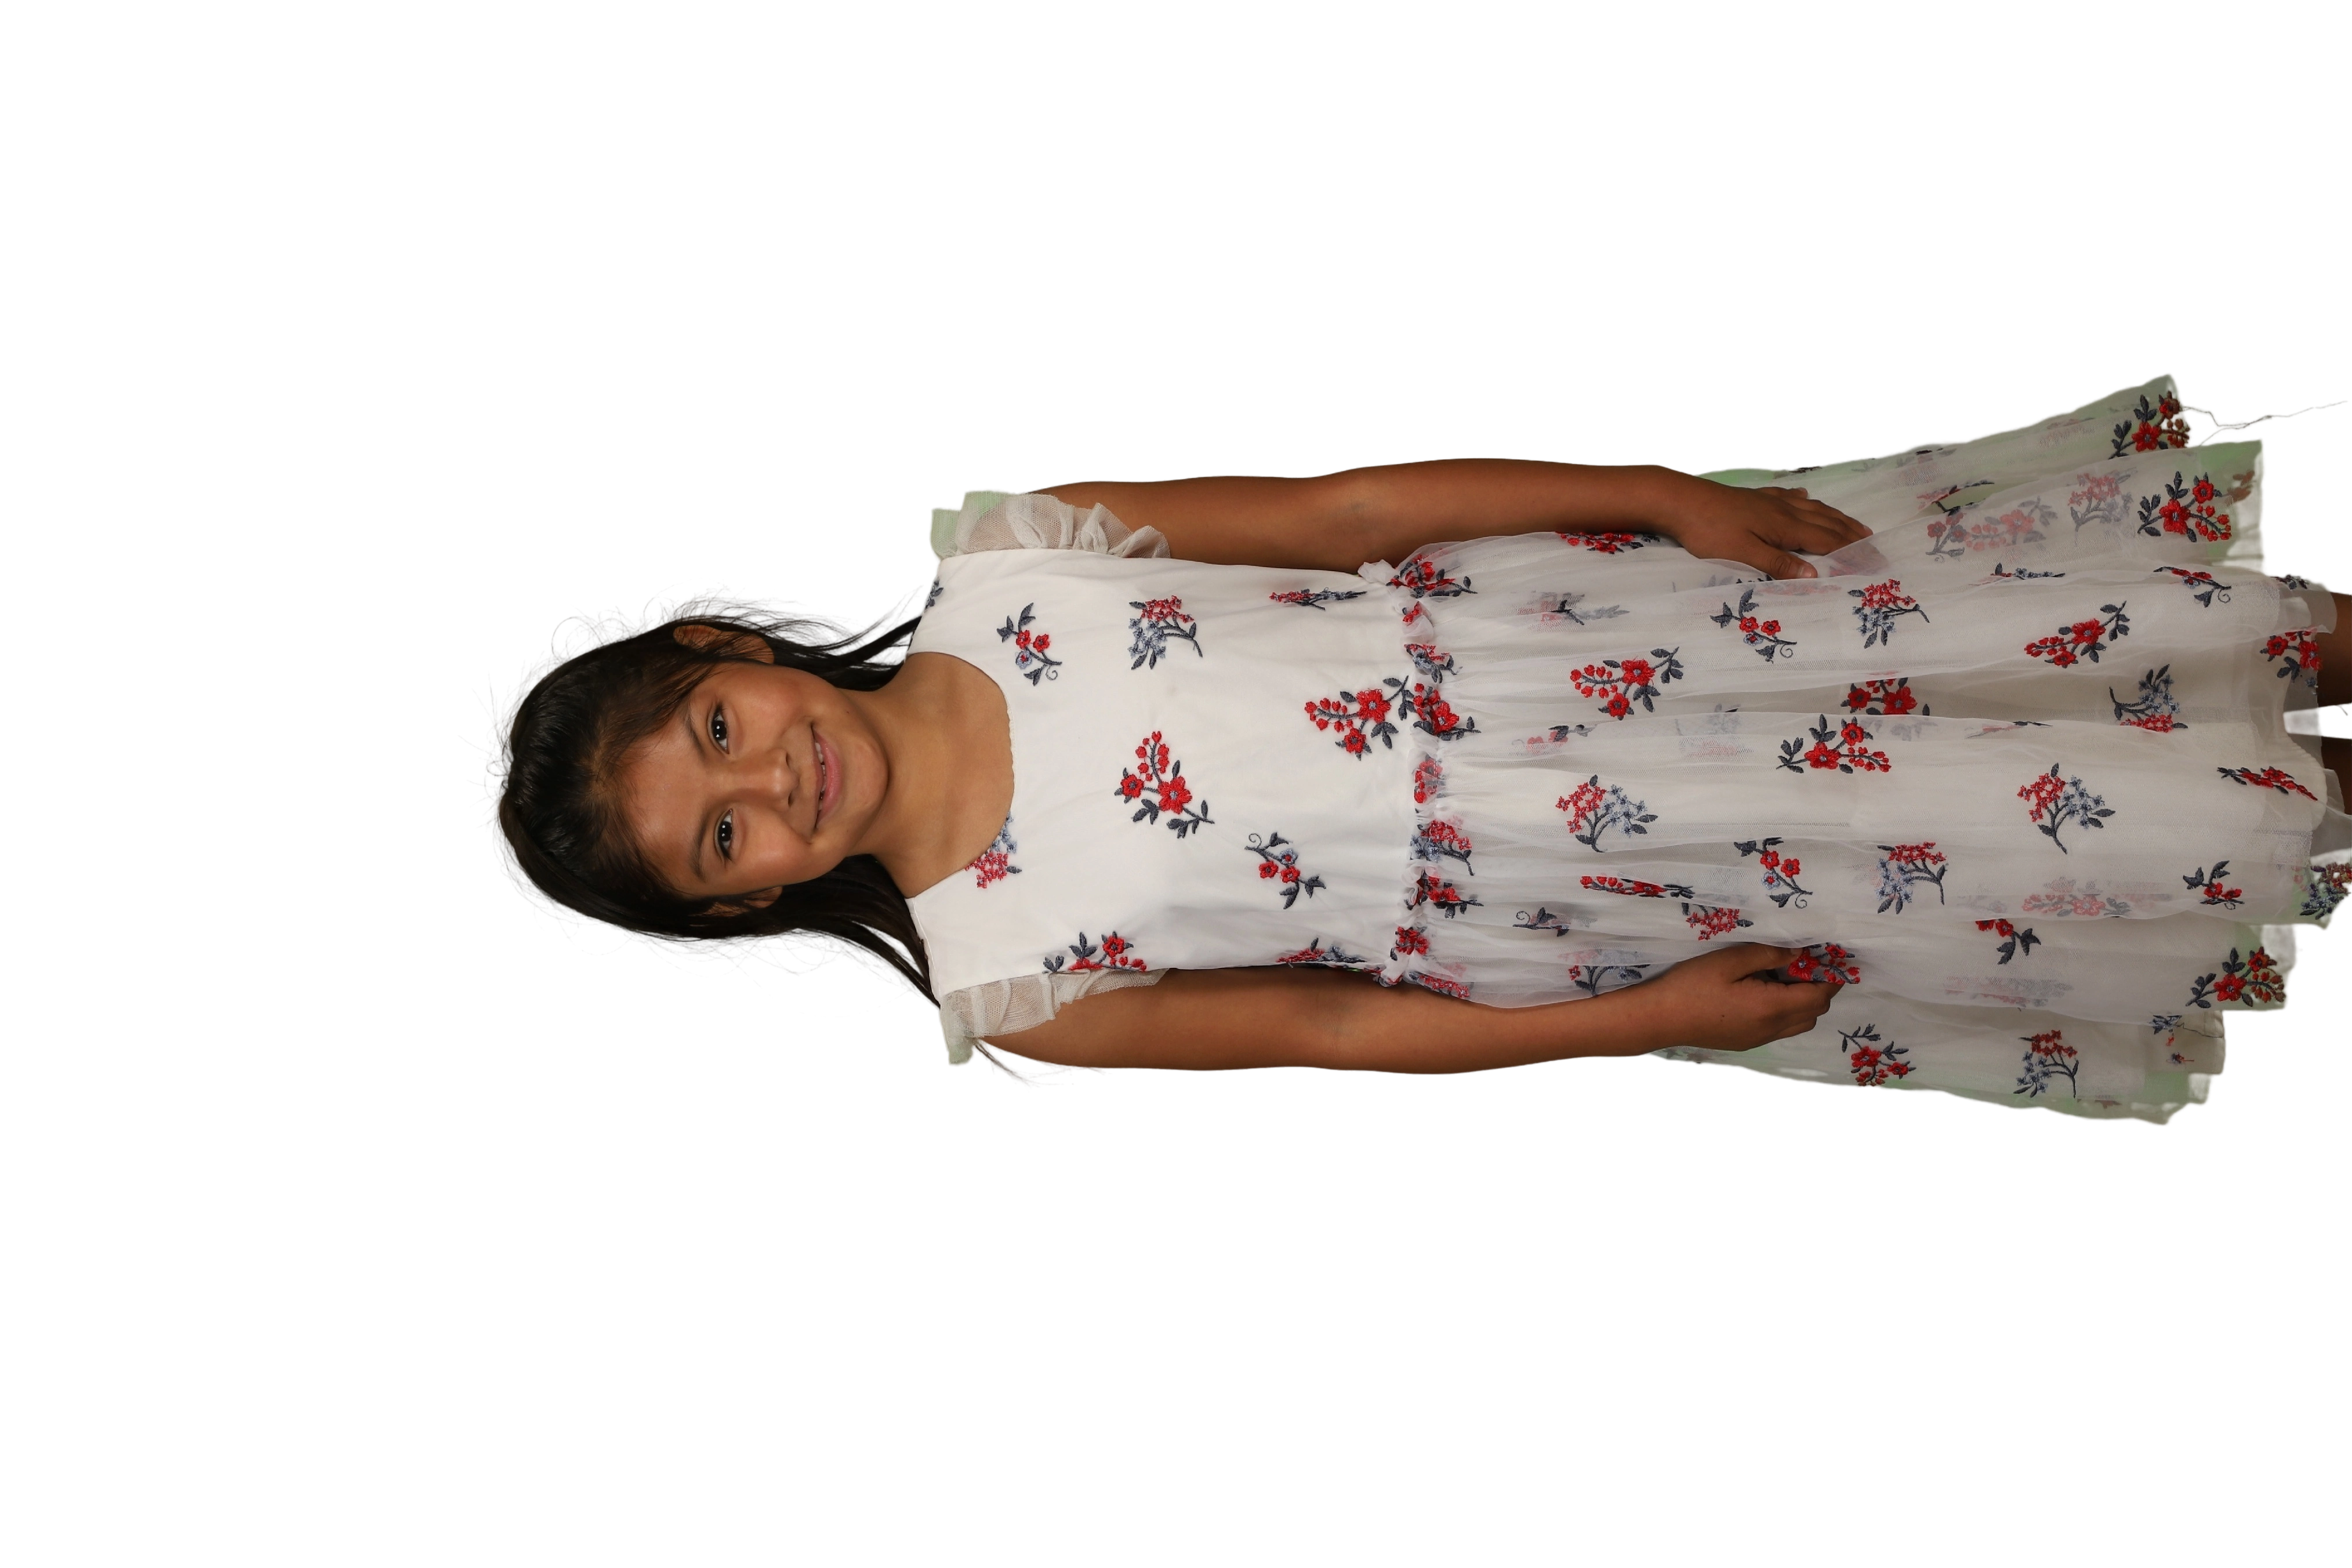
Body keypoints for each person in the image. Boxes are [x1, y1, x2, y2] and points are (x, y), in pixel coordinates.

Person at [474, 375, 2352, 1124]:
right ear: (755, 904)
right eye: (723, 839)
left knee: (2065, 637)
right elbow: (1329, 1033)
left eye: (718, 734)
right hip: (1609, 879)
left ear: (728, 652)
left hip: (1621, 625)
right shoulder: (1013, 986)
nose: (769, 783)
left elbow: (1349, 512)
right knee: (2042, 822)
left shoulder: (1018, 557)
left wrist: (1655, 493)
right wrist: (1643, 1020)